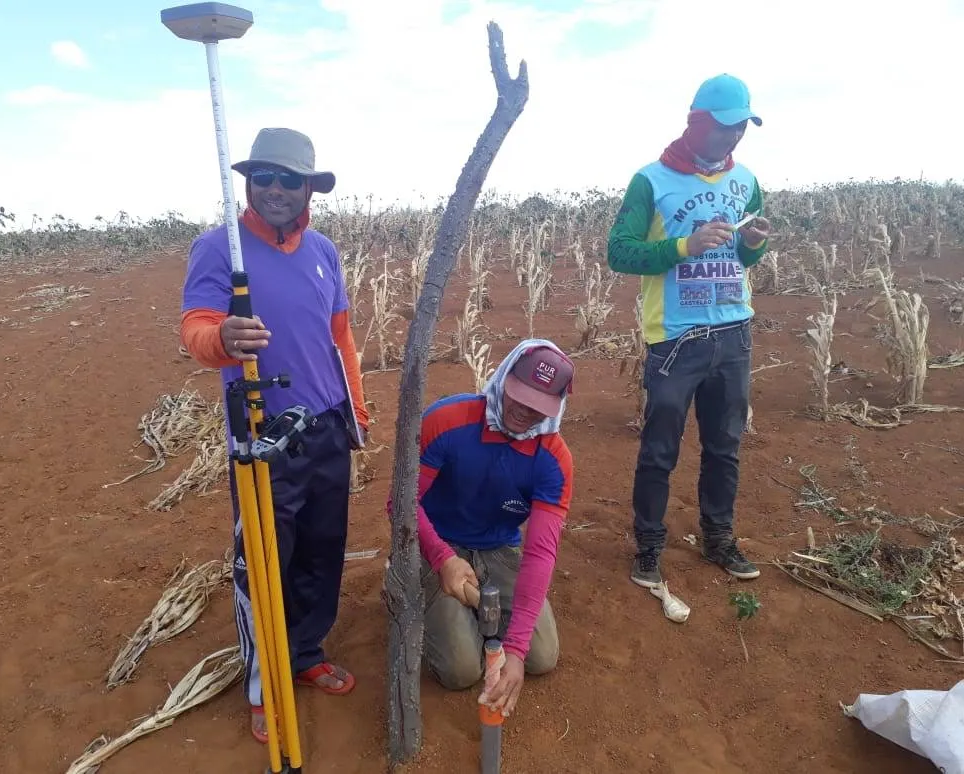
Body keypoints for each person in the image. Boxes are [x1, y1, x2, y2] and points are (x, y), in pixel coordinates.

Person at [180, 127, 368, 744]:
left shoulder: (325, 252)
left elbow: (339, 339)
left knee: (321, 549)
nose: (278, 190)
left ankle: (306, 651)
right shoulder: (220, 250)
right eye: (266, 177)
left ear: (310, 187)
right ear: (248, 181)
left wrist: (356, 414)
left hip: (328, 430)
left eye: (292, 179)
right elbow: (197, 326)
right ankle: (265, 683)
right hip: (262, 437)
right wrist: (222, 340)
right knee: (262, 561)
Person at [606, 73, 771, 589]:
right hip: (676, 340)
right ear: (696, 123)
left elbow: (745, 253)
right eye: (726, 126)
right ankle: (649, 547)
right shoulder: (651, 181)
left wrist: (754, 245)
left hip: (734, 335)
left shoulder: (746, 180)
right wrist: (684, 246)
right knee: (660, 449)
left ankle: (718, 539)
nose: (735, 136)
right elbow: (619, 252)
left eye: (742, 126)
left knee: (725, 447)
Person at [392, 338, 574, 719]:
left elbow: (540, 552)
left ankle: (476, 613)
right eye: (519, 395)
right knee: (460, 671)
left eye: (538, 406)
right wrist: (443, 559)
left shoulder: (554, 459)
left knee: (541, 656)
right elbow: (400, 503)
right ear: (504, 376)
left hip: (499, 546)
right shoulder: (446, 420)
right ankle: (403, 585)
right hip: (435, 543)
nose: (524, 412)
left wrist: (518, 653)